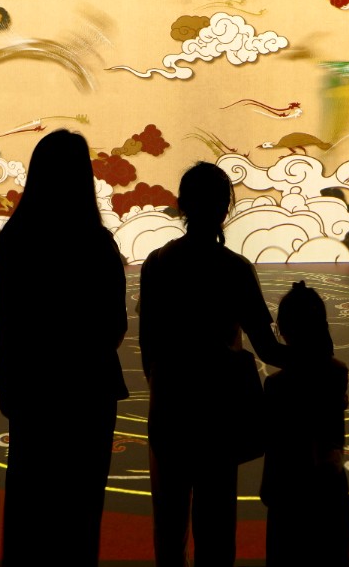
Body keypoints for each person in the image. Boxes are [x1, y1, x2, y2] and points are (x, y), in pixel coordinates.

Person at [138, 161, 288, 567]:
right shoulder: (235, 269)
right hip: (220, 410)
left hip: (170, 404)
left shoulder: (157, 264)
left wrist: (166, 386)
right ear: (225, 208)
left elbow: (148, 347)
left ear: (182, 204)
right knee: (217, 524)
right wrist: (313, 355)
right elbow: (268, 348)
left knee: (169, 523)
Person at [0, 130, 128, 566]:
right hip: (89, 392)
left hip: (32, 391)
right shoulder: (97, 244)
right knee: (81, 506)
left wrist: (11, 390)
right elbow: (114, 326)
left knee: (31, 502)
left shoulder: (15, 239)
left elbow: (8, 325)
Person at [260, 281, 349, 567]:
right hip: (330, 491)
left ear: (284, 330)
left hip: (288, 495)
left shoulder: (276, 385)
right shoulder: (337, 373)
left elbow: (271, 445)